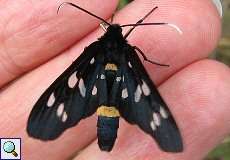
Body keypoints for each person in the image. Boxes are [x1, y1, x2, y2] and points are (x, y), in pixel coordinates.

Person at [0, 0, 229, 159]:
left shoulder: (94, 50)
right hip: (125, 84)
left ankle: (9, 153)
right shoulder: (128, 51)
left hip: (98, 87)